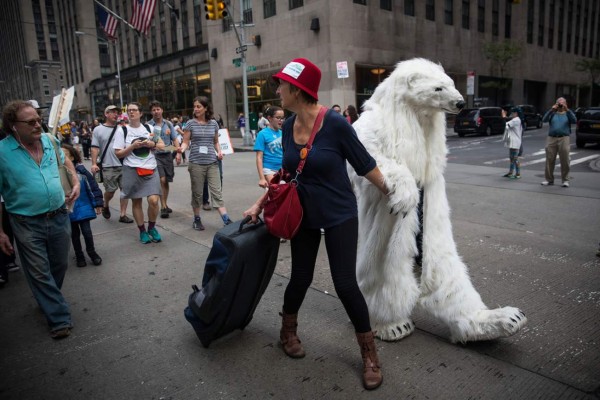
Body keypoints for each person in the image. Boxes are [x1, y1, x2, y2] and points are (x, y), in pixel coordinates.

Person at [243, 58, 396, 390]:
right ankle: (288, 331)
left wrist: (394, 195)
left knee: (344, 284)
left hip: (340, 213)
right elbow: (285, 174)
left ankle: (369, 354)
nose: (277, 89)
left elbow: (365, 164)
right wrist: (258, 204)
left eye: (282, 84)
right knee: (300, 276)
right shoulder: (286, 127)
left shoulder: (337, 124)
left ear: (298, 90)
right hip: (303, 214)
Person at [0, 100, 80, 339]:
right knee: (39, 271)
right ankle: (59, 318)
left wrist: (75, 182)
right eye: (31, 122)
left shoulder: (48, 139)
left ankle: (46, 298)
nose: (38, 125)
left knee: (59, 265)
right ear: (14, 126)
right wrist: (1, 232)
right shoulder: (2, 152)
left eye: (38, 119)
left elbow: (64, 161)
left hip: (58, 215)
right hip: (25, 222)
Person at [178, 96, 233, 230]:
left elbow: (215, 141)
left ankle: (226, 219)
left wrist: (219, 152)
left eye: (199, 106)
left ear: (206, 108)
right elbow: (186, 141)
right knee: (197, 193)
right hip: (196, 162)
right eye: (195, 106)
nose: (195, 109)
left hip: (212, 162)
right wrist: (181, 150)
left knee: (216, 191)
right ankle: (197, 219)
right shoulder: (190, 123)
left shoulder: (214, 124)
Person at [114, 102, 165, 244]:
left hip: (150, 167)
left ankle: (152, 227)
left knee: (154, 200)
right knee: (136, 201)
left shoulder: (149, 128)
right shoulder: (122, 130)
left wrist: (152, 144)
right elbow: (118, 153)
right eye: (129, 110)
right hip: (132, 169)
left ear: (140, 113)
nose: (131, 112)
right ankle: (142, 231)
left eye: (134, 110)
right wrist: (132, 146)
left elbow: (161, 145)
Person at [61, 144, 103, 267]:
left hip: (84, 207)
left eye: (65, 155)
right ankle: (79, 256)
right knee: (74, 235)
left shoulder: (82, 171)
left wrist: (98, 202)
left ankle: (92, 253)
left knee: (87, 232)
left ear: (72, 158)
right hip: (69, 210)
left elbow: (93, 187)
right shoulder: (56, 174)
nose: (62, 157)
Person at [90, 105, 134, 223]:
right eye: (113, 112)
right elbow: (94, 148)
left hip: (124, 164)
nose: (116, 114)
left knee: (125, 191)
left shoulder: (123, 129)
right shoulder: (98, 129)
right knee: (111, 191)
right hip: (108, 166)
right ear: (106, 114)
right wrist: (94, 163)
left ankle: (122, 214)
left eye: (117, 112)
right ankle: (106, 203)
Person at [148, 100, 181, 219]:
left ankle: (165, 204)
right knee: (161, 179)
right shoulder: (148, 125)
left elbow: (175, 139)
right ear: (151, 112)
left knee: (166, 180)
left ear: (162, 110)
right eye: (154, 110)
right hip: (155, 156)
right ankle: (163, 207)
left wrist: (178, 153)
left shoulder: (169, 124)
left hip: (167, 155)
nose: (156, 112)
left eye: (158, 109)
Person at [541, 97, 576, 187]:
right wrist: (551, 110)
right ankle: (549, 179)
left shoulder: (567, 113)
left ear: (565, 104)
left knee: (565, 160)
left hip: (564, 138)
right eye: (558, 103)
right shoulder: (553, 113)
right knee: (549, 159)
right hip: (551, 138)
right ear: (556, 104)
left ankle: (565, 180)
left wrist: (567, 109)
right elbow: (544, 120)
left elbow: (574, 121)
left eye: (562, 103)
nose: (560, 105)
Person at [253, 105, 284, 188]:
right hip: (269, 170)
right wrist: (262, 178)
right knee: (276, 192)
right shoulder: (262, 134)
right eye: (278, 118)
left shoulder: (283, 133)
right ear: (270, 118)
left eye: (282, 118)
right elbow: (259, 157)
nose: (281, 120)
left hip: (283, 170)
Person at [502, 107, 523, 179]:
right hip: (513, 141)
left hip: (515, 142)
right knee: (511, 158)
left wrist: (504, 116)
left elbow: (507, 124)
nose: (512, 114)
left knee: (515, 158)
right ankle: (510, 172)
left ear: (516, 113)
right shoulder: (515, 120)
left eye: (513, 113)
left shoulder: (516, 120)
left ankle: (518, 173)